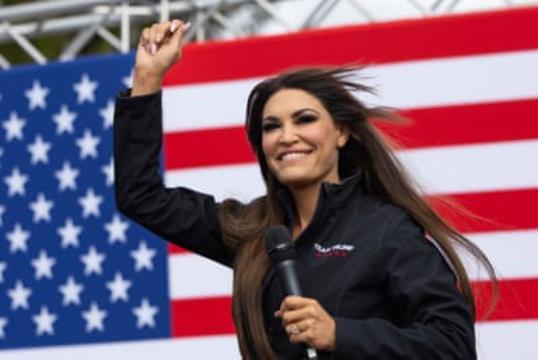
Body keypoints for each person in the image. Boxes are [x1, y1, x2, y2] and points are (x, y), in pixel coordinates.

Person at [114, 19, 496, 359]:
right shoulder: (253, 230)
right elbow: (141, 197)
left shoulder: (386, 230)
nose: (287, 137)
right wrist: (147, 81)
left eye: (305, 120)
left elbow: (453, 344)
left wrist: (339, 334)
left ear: (342, 133)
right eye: (271, 127)